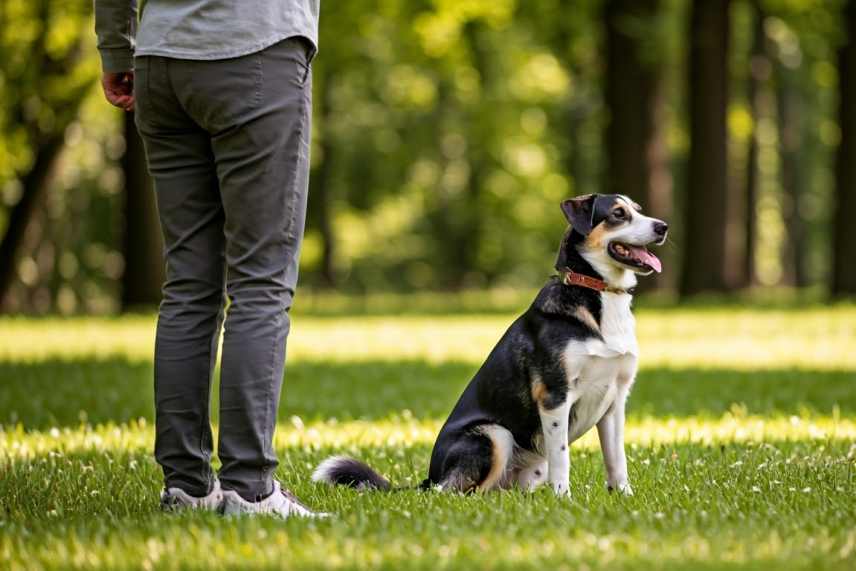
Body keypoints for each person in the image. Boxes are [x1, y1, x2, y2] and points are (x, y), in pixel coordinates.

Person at [94, 0, 322, 518]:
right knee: (261, 283)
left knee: (189, 285)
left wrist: (115, 47)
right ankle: (248, 488)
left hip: (159, 61)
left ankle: (187, 487)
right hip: (257, 49)